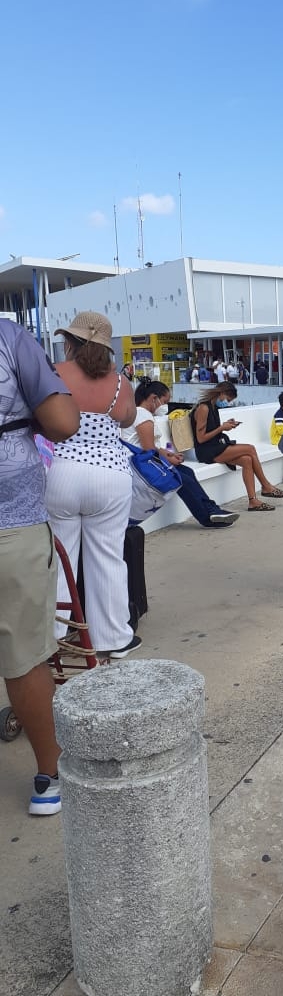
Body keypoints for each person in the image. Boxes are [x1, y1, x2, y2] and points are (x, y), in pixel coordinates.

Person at [0, 320, 80, 815]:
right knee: (24, 653)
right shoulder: (9, 338)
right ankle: (51, 776)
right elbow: (62, 423)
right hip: (10, 519)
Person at [46, 311, 140, 659]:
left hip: (61, 471)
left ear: (70, 342)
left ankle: (53, 635)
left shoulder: (54, 373)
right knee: (108, 557)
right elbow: (128, 418)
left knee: (58, 557)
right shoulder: (119, 382)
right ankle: (113, 639)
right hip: (110, 475)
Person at [122, 379, 238, 527]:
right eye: (164, 401)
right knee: (183, 478)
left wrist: (169, 455)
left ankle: (211, 511)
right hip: (142, 467)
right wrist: (168, 460)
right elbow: (148, 450)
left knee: (187, 472)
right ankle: (208, 514)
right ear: (153, 398)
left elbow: (150, 447)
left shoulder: (139, 414)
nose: (165, 406)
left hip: (147, 463)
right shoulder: (143, 415)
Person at [192, 381, 283, 512]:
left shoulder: (213, 407)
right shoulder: (204, 408)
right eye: (227, 399)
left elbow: (212, 430)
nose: (226, 403)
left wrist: (225, 425)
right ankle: (266, 486)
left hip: (215, 446)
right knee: (250, 449)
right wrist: (221, 428)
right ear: (222, 393)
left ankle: (253, 501)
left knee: (247, 460)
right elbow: (201, 439)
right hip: (207, 451)